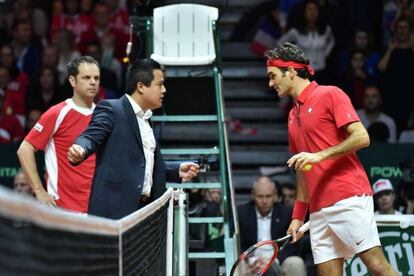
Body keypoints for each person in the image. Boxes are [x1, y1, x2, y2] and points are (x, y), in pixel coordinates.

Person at [266, 42, 396, 275]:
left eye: (273, 76)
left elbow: (362, 137)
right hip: (318, 210)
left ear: (291, 72)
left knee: (378, 267)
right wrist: (297, 216)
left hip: (347, 197)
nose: (270, 83)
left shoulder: (330, 94)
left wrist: (318, 156)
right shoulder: (291, 116)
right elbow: (303, 170)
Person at [68, 58, 199, 219]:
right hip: (115, 214)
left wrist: (174, 170)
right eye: (160, 84)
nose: (164, 90)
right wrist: (81, 147)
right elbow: (92, 135)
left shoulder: (145, 119)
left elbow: (142, 163)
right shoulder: (112, 108)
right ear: (141, 87)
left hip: (145, 212)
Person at [17, 56, 100, 213]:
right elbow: (24, 149)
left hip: (97, 210)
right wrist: (39, 191)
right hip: (62, 210)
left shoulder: (103, 115)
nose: (93, 82)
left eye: (96, 78)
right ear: (72, 81)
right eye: (86, 77)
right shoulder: (57, 112)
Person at [237, 176, 304, 269]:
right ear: (252, 195)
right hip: (251, 262)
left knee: (296, 262)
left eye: (268, 196)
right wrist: (251, 259)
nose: (264, 201)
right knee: (239, 265)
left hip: (278, 260)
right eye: (260, 196)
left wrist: (275, 260)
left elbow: (292, 244)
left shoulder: (286, 213)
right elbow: (237, 243)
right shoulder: (241, 213)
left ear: (275, 195)